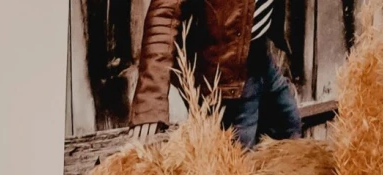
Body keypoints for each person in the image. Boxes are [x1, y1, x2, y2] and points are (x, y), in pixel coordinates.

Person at [129, 0, 303, 149]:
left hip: (259, 56)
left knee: (288, 133)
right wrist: (149, 99)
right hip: (225, 76)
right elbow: (164, 14)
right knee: (235, 172)